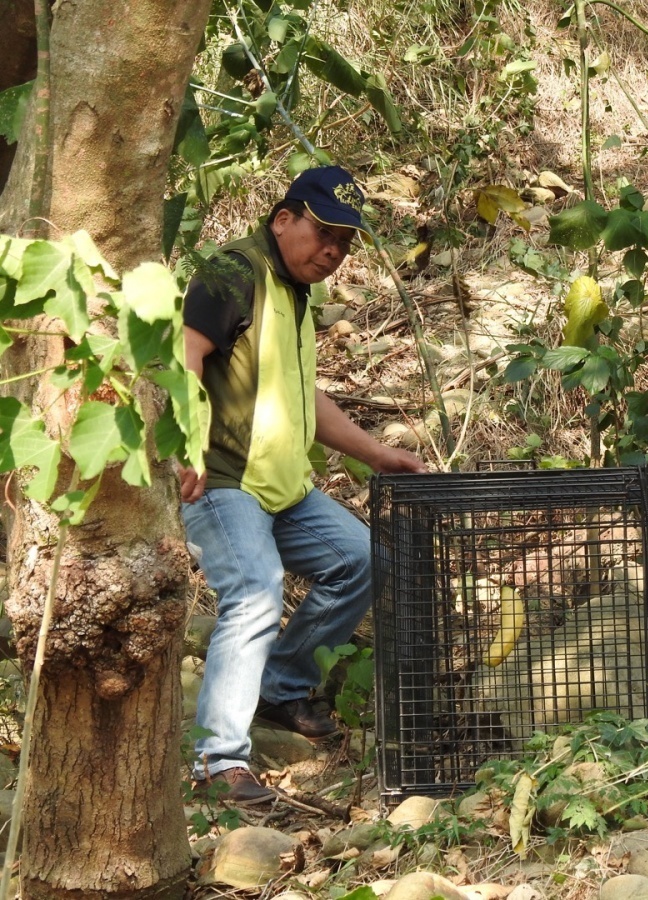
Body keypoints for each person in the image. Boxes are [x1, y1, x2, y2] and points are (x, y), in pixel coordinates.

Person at [179, 166, 426, 803]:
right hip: (224, 481)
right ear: (283, 218)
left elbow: (303, 396)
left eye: (345, 243)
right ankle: (217, 760)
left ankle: (280, 687)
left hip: (284, 487)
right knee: (256, 592)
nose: (333, 252)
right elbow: (182, 355)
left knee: (364, 558)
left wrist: (378, 454)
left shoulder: (297, 294)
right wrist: (182, 445)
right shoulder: (234, 272)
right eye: (324, 233)